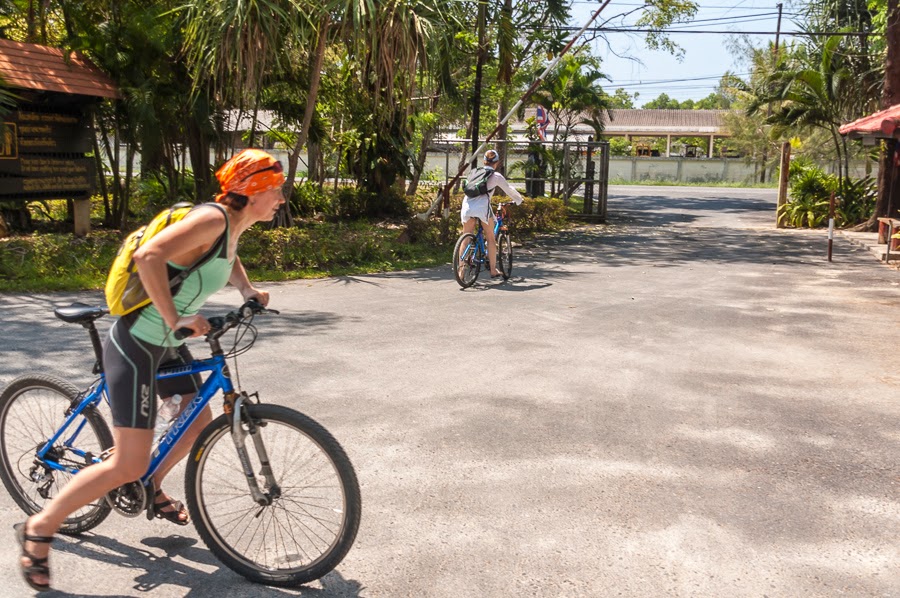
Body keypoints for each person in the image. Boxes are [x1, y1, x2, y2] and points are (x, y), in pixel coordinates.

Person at [14, 148, 286, 592]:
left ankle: (149, 485)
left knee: (197, 423)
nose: (281, 197)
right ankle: (39, 530)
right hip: (137, 343)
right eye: (275, 189)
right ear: (252, 190)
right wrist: (176, 318)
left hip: (168, 344)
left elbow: (224, 258)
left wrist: (248, 289)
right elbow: (150, 256)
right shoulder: (212, 218)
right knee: (125, 461)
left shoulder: (232, 227)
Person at [460, 149, 524, 277]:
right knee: (490, 238)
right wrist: (519, 199)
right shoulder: (496, 176)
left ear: (484, 161)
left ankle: (460, 271)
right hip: (482, 208)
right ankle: (493, 270)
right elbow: (509, 189)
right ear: (497, 162)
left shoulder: (475, 172)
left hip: (467, 205)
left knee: (466, 237)